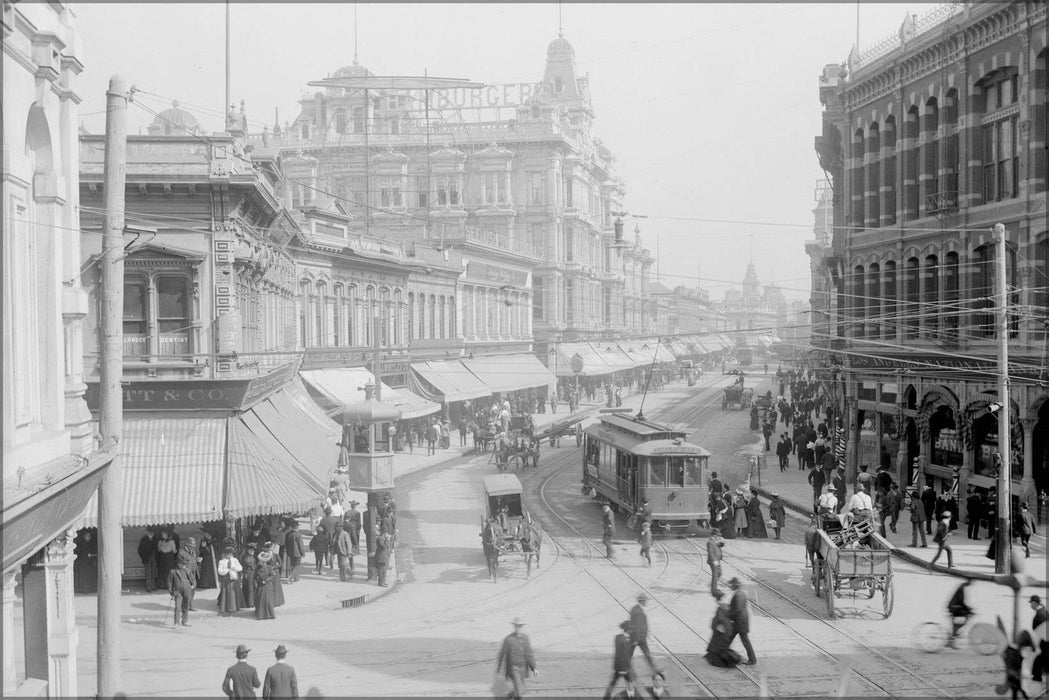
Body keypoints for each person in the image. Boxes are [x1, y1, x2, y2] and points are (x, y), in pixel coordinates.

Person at [496, 617, 537, 700]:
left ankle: (511, 694)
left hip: (523, 668)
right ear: (514, 626)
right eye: (517, 626)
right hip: (513, 668)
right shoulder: (508, 639)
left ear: (522, 626)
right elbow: (502, 654)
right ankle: (515, 694)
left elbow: (529, 653)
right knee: (519, 692)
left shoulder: (525, 638)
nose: (518, 627)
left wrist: (534, 668)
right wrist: (499, 669)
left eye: (520, 626)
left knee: (520, 689)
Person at [705, 590, 742, 668]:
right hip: (723, 628)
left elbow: (718, 620)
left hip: (721, 628)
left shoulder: (721, 608)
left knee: (717, 644)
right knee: (720, 644)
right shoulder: (725, 607)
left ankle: (717, 657)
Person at [603, 621, 638, 700]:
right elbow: (619, 654)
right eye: (631, 629)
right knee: (612, 684)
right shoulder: (619, 638)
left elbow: (630, 654)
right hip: (620, 668)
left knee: (632, 683)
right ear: (628, 630)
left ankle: (632, 697)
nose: (632, 631)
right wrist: (622, 669)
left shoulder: (631, 640)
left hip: (627, 667)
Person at [727, 577, 757, 665]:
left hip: (740, 621)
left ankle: (752, 660)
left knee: (745, 640)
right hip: (740, 620)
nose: (730, 586)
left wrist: (729, 615)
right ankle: (723, 654)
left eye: (731, 584)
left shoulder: (738, 595)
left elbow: (738, 609)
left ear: (734, 585)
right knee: (729, 637)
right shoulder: (741, 593)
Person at [630, 593, 659, 674]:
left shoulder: (634, 608)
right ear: (642, 601)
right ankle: (655, 670)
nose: (646, 602)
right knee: (647, 654)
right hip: (639, 638)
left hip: (635, 636)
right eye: (645, 600)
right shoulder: (639, 612)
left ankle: (655, 670)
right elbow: (638, 626)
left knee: (630, 655)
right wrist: (637, 639)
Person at [217, 546, 243, 616]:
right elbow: (219, 571)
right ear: (225, 554)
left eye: (231, 554)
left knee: (233, 593)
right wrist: (227, 570)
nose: (230, 555)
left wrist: (234, 568)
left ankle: (234, 607)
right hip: (226, 579)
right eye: (228, 554)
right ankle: (226, 607)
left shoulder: (235, 560)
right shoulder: (222, 561)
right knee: (227, 593)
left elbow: (240, 568)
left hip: (234, 578)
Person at [254, 543, 278, 620]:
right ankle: (261, 615)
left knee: (268, 600)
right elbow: (255, 576)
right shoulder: (257, 568)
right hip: (260, 586)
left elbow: (273, 576)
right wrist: (256, 583)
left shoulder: (269, 567)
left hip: (268, 586)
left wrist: (267, 580)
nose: (263, 563)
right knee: (260, 600)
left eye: (264, 561)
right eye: (261, 561)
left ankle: (270, 614)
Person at [176, 536, 200, 611]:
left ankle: (190, 605)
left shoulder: (193, 552)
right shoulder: (181, 552)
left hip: (193, 574)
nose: (192, 547)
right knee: (185, 591)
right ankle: (183, 606)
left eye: (193, 546)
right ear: (187, 545)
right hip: (185, 575)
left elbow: (193, 561)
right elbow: (180, 565)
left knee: (192, 590)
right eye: (191, 546)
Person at [168, 560, 193, 628]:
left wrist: (192, 585)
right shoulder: (173, 571)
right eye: (182, 564)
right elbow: (169, 583)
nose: (183, 566)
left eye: (184, 564)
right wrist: (171, 592)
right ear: (178, 564)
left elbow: (192, 579)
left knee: (186, 606)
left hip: (187, 591)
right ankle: (176, 623)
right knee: (177, 607)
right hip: (178, 592)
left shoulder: (187, 571)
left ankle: (184, 621)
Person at [1029, 595, 1047, 683]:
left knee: (1039, 657)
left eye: (1031, 603)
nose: (1030, 606)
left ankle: (1037, 676)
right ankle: (1036, 675)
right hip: (1044, 639)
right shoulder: (1043, 611)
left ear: (1034, 603)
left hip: (1043, 639)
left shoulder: (1040, 615)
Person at [707, 530, 724, 596]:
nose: (718, 536)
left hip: (718, 560)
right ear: (714, 535)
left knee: (719, 573)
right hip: (713, 561)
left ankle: (712, 585)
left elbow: (720, 546)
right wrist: (714, 561)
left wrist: (722, 542)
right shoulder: (710, 542)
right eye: (717, 535)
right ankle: (714, 589)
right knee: (715, 575)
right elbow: (710, 553)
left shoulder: (716, 541)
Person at [241, 544, 257, 609]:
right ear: (248, 550)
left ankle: (253, 602)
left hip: (253, 572)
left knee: (253, 586)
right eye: (251, 550)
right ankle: (249, 603)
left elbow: (255, 564)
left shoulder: (253, 556)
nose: (253, 551)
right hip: (248, 573)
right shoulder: (246, 557)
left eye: (253, 550)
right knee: (249, 587)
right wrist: (245, 573)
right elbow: (245, 566)